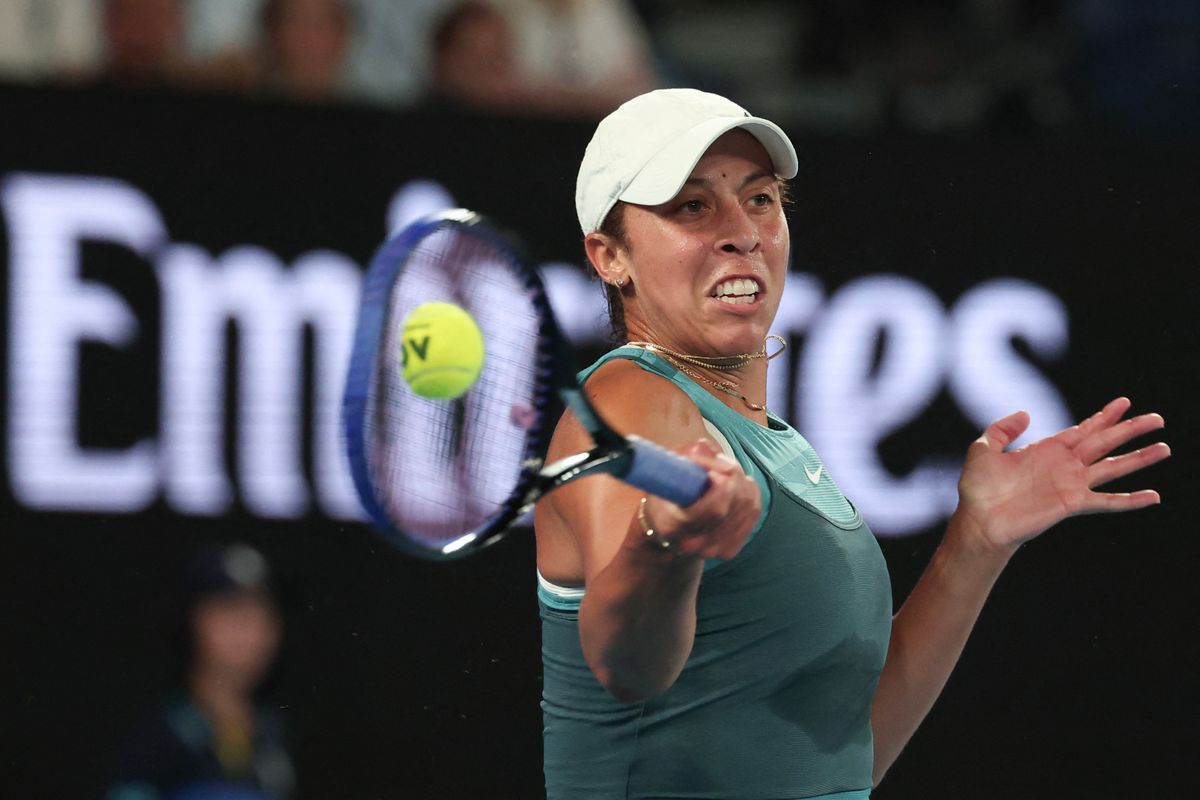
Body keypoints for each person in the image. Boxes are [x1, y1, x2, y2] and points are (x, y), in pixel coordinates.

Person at [533, 87, 1169, 798]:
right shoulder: (630, 404)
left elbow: (843, 754)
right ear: (609, 256)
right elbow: (626, 666)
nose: (741, 231)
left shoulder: (775, 444)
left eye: (761, 199)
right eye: (692, 206)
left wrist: (975, 543)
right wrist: (664, 543)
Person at [107, 543, 294, 800]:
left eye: (263, 610)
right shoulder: (158, 735)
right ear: (192, 620)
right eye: (232, 609)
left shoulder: (271, 731)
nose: (251, 629)